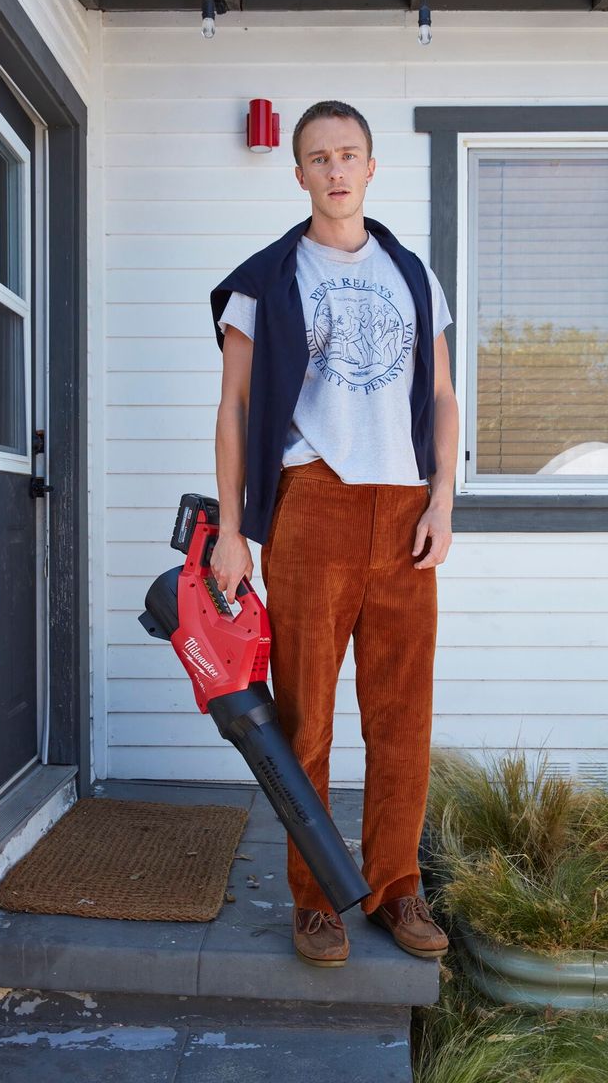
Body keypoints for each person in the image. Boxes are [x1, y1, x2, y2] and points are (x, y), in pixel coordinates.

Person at [209, 100, 458, 968]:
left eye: (349, 154)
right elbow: (236, 408)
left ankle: (397, 888)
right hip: (311, 504)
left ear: (372, 166)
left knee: (401, 716)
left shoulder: (415, 276)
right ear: (301, 173)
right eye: (319, 158)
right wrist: (234, 530)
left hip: (403, 512)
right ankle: (316, 899)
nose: (336, 170)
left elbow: (441, 398)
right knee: (305, 718)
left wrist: (444, 500)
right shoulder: (267, 280)